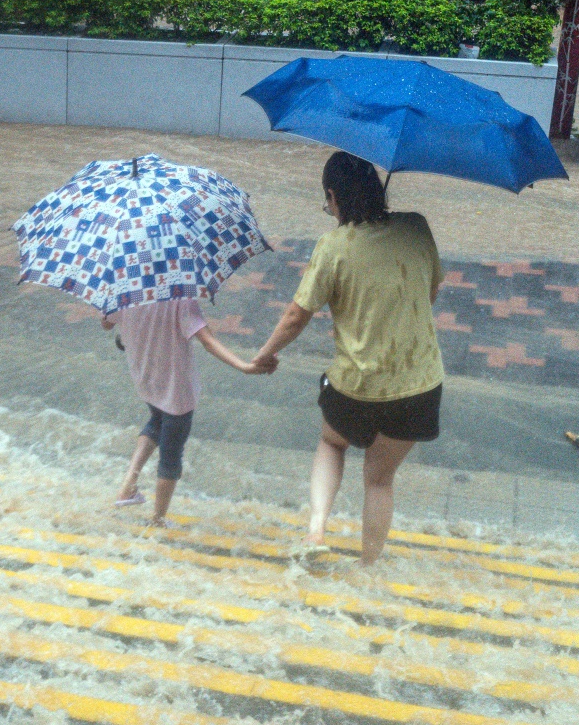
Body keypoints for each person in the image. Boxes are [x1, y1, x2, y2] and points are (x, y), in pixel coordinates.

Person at [249, 151, 444, 564]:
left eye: (327, 201)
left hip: (355, 387)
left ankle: (317, 532)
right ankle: (369, 566)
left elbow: (294, 316)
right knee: (379, 480)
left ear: (334, 197)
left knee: (331, 442)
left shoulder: (333, 246)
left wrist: (263, 355)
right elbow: (429, 292)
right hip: (418, 388)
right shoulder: (416, 228)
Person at [106, 296, 270, 524]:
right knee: (171, 458)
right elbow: (208, 341)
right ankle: (158, 519)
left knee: (156, 421)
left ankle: (127, 487)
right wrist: (243, 366)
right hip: (176, 390)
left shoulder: (127, 293)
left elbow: (106, 323)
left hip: (145, 379)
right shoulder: (180, 300)